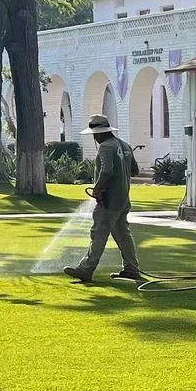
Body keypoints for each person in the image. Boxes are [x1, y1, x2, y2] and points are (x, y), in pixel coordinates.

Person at [65, 114, 145, 284]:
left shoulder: (105, 147)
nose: (94, 137)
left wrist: (97, 189)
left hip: (108, 201)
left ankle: (86, 269)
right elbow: (135, 171)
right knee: (123, 235)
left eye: (95, 134)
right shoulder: (125, 145)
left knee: (98, 233)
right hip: (123, 200)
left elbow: (107, 171)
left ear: (100, 132)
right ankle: (132, 269)